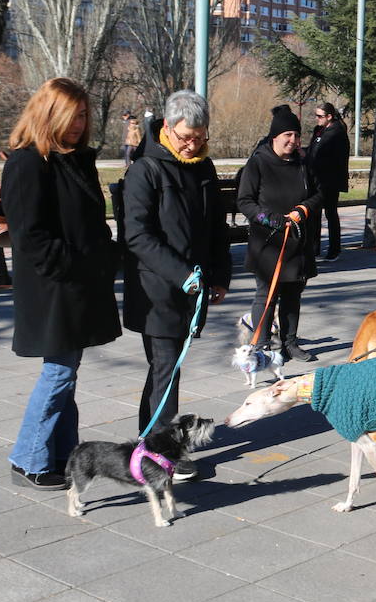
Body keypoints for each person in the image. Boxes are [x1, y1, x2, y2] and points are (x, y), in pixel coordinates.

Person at [2, 78, 121, 489]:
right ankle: (27, 458)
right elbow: (30, 236)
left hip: (80, 284)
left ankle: (64, 454)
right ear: (49, 114)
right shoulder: (27, 162)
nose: (78, 123)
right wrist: (79, 265)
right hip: (53, 289)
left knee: (66, 375)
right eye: (71, 116)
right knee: (58, 375)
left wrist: (106, 257)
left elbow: (90, 224)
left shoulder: (77, 159)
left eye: (84, 115)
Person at [122, 90, 232, 480]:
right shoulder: (145, 169)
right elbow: (137, 236)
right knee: (166, 367)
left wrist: (220, 275)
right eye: (186, 136)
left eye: (200, 136)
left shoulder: (203, 166)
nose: (193, 144)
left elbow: (216, 227)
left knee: (165, 369)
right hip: (157, 289)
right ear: (167, 127)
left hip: (195, 286)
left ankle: (148, 441)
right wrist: (181, 274)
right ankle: (159, 453)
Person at [238, 104, 323, 362]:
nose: (293, 140)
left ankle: (289, 343)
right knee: (266, 294)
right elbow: (245, 201)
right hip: (268, 243)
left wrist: (303, 210)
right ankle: (262, 344)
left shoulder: (304, 163)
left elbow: (319, 194)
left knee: (292, 295)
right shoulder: (258, 163)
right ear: (275, 137)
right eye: (287, 135)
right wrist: (272, 220)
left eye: (296, 135)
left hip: (297, 240)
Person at [307, 102, 349, 262]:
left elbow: (330, 157)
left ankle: (334, 249)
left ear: (329, 116)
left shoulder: (337, 132)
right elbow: (313, 150)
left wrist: (312, 158)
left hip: (330, 180)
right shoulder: (319, 130)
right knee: (314, 213)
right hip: (317, 179)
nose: (317, 119)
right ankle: (314, 248)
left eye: (320, 116)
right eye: (316, 115)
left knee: (330, 213)